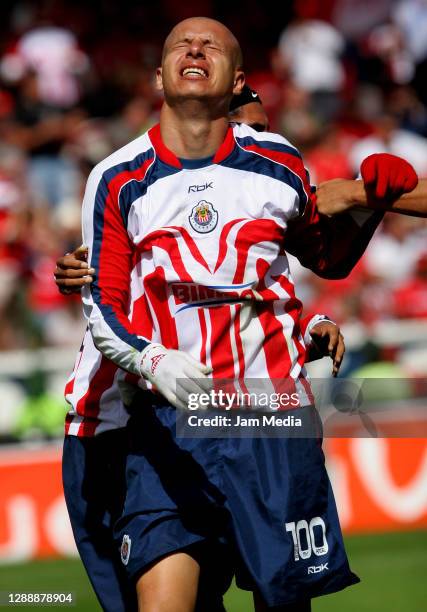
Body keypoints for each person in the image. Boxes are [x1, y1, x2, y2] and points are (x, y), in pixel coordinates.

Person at [77, 17, 420, 612]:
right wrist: (153, 358)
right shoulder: (115, 178)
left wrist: (370, 207)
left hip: (271, 416)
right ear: (158, 75)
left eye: (212, 44)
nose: (194, 48)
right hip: (166, 426)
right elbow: (101, 304)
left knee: (282, 601)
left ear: (238, 80)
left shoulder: (278, 162)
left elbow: (323, 259)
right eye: (180, 42)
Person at [59, 86, 343, 612]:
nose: (257, 139)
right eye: (248, 127)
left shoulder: (261, 189)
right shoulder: (133, 190)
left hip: (245, 419)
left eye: (261, 130)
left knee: (276, 593)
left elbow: (245, 298)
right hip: (121, 427)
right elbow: (143, 299)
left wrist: (307, 327)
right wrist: (83, 273)